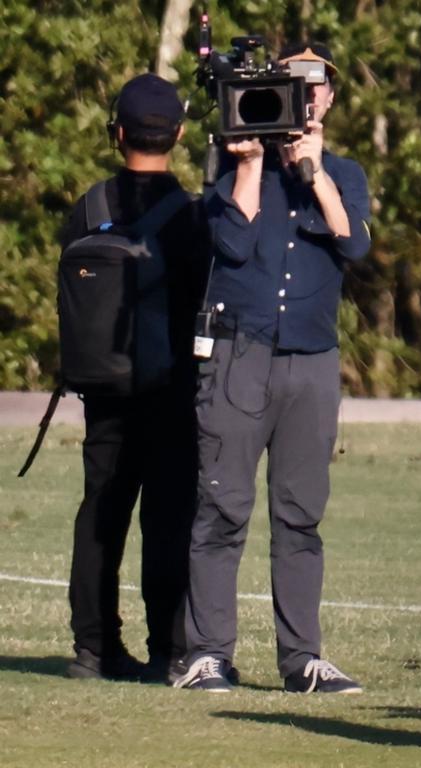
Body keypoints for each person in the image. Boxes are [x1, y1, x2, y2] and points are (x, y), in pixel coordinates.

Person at [173, 42, 371, 694]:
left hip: (310, 360)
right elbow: (231, 241)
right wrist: (252, 160)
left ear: (332, 96)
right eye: (293, 82)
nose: (306, 93)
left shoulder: (342, 171)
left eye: (317, 84)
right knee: (222, 506)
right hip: (239, 354)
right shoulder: (231, 165)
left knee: (300, 515)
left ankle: (301, 659)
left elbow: (354, 244)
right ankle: (207, 653)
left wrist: (311, 172)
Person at [64, 73, 207, 683]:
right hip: (171, 387)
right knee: (168, 518)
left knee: (101, 510)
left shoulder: (88, 207)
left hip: (101, 389)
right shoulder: (192, 217)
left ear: (117, 133)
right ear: (176, 134)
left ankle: (94, 648)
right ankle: (169, 650)